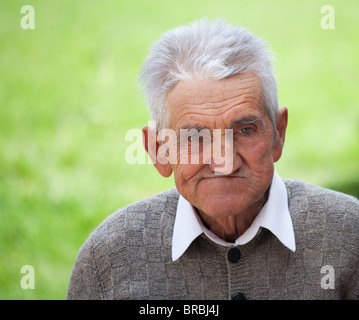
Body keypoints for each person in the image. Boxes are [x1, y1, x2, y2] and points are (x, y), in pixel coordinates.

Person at [66, 18, 359, 300]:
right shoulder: (108, 257)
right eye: (195, 137)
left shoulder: (349, 234)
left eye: (245, 130)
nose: (225, 162)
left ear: (277, 135)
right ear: (159, 150)